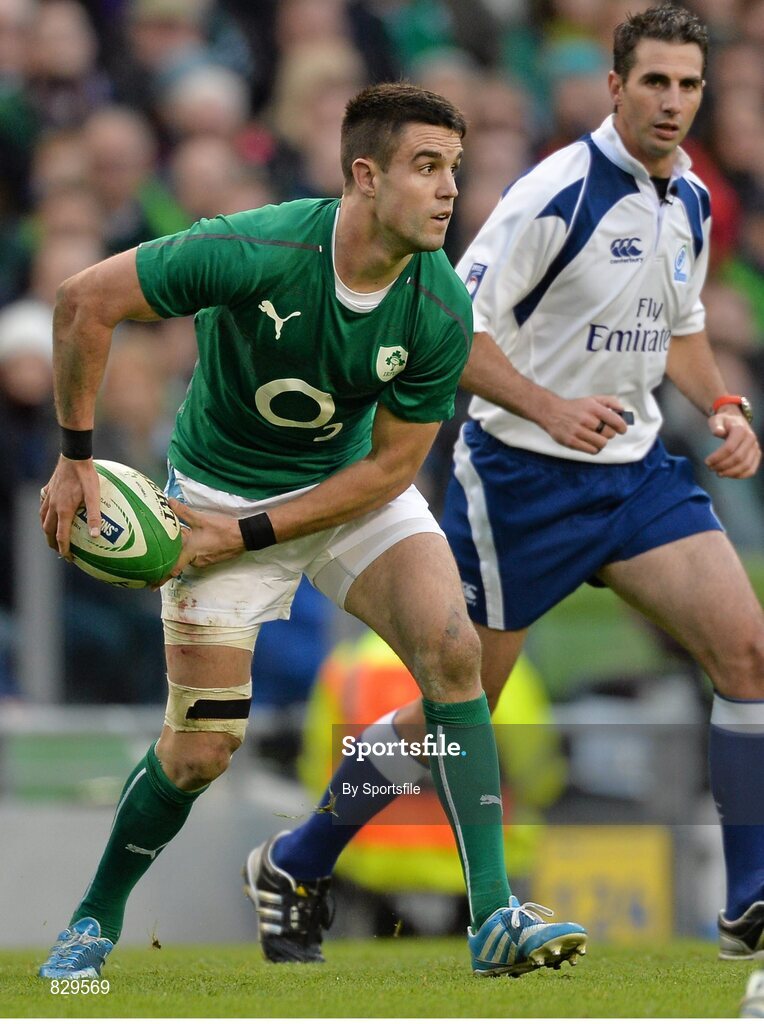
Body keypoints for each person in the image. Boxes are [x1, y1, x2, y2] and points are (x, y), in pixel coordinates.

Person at [36, 81, 586, 981]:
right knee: (201, 749)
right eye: (426, 167)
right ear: (364, 177)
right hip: (213, 493)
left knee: (455, 655)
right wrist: (75, 459)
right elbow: (82, 301)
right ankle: (94, 920)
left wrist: (245, 535)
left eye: (454, 167)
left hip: (347, 496)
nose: (452, 189)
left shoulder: (440, 307)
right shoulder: (257, 247)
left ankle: (493, 913)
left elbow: (388, 473)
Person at [254, 2, 764, 966]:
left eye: (688, 84)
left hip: (636, 472)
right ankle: (299, 857)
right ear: (613, 86)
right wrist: (546, 406)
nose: (672, 101)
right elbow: (454, 330)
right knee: (459, 710)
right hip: (520, 479)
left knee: (747, 652)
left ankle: (749, 902)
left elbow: (682, 328)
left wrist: (723, 406)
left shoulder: (689, 196)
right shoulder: (555, 195)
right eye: (653, 80)